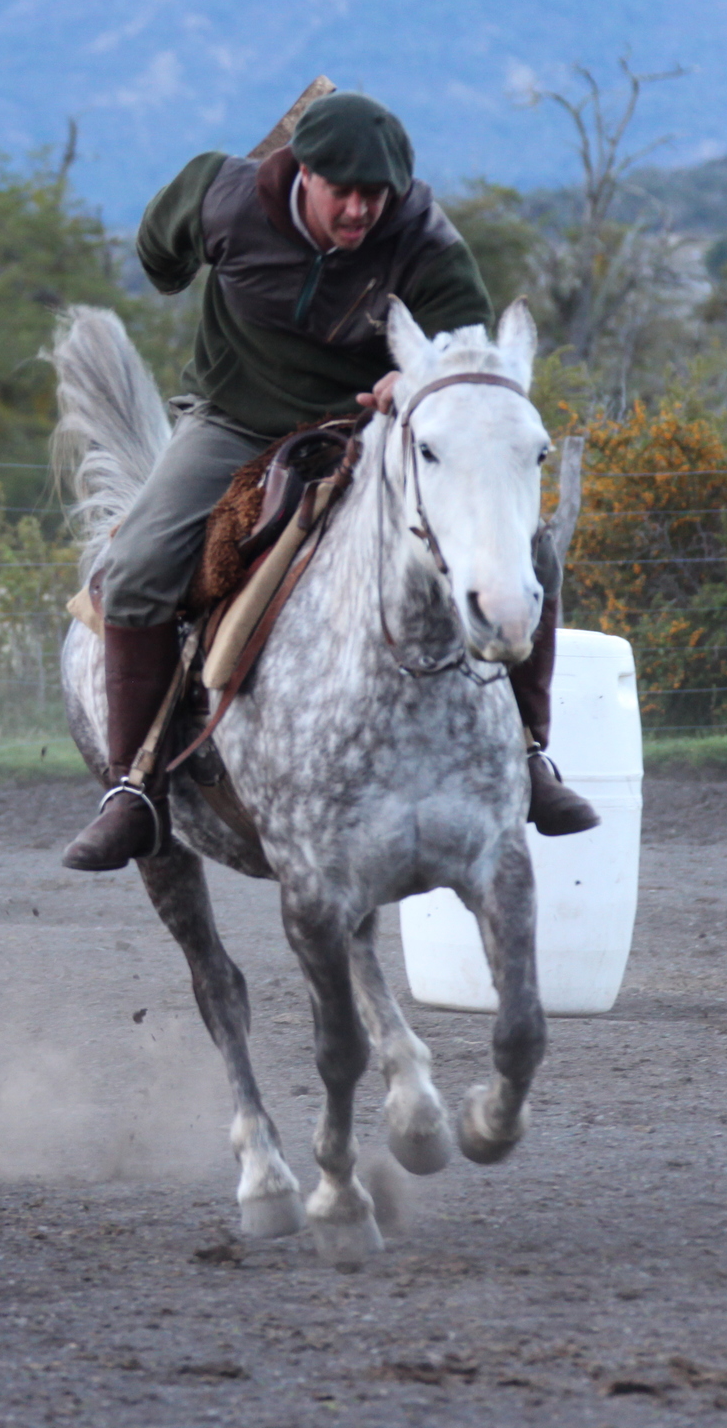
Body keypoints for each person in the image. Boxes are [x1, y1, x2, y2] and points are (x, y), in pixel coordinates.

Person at [62, 90, 599, 871]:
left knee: (530, 556)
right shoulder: (223, 198)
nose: (358, 209)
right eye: (341, 190)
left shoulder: (425, 242)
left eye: (375, 194)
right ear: (301, 171)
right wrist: (192, 246)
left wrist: (404, 382)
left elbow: (465, 366)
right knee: (140, 566)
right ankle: (134, 788)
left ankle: (529, 754)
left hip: (370, 431)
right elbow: (159, 260)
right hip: (231, 421)